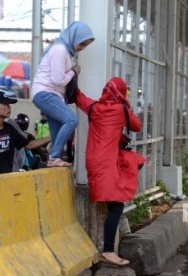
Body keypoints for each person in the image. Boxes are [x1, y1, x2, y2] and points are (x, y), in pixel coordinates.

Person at [75, 77, 145, 266]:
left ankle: (109, 248)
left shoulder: (94, 108)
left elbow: (78, 97)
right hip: (106, 163)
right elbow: (137, 126)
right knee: (116, 206)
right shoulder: (121, 110)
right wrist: (126, 106)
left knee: (113, 201)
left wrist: (72, 74)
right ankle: (108, 251)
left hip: (93, 161)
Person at [31, 21, 94, 167]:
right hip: (46, 93)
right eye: (82, 44)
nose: (82, 48)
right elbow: (58, 80)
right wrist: (74, 71)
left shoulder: (65, 51)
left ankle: (54, 159)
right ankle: (54, 155)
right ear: (74, 37)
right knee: (71, 120)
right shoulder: (60, 50)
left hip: (49, 94)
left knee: (57, 129)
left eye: (85, 46)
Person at [0, 92, 51, 175]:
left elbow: (29, 145)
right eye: (6, 104)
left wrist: (52, 137)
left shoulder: (9, 129)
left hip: (8, 179)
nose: (9, 107)